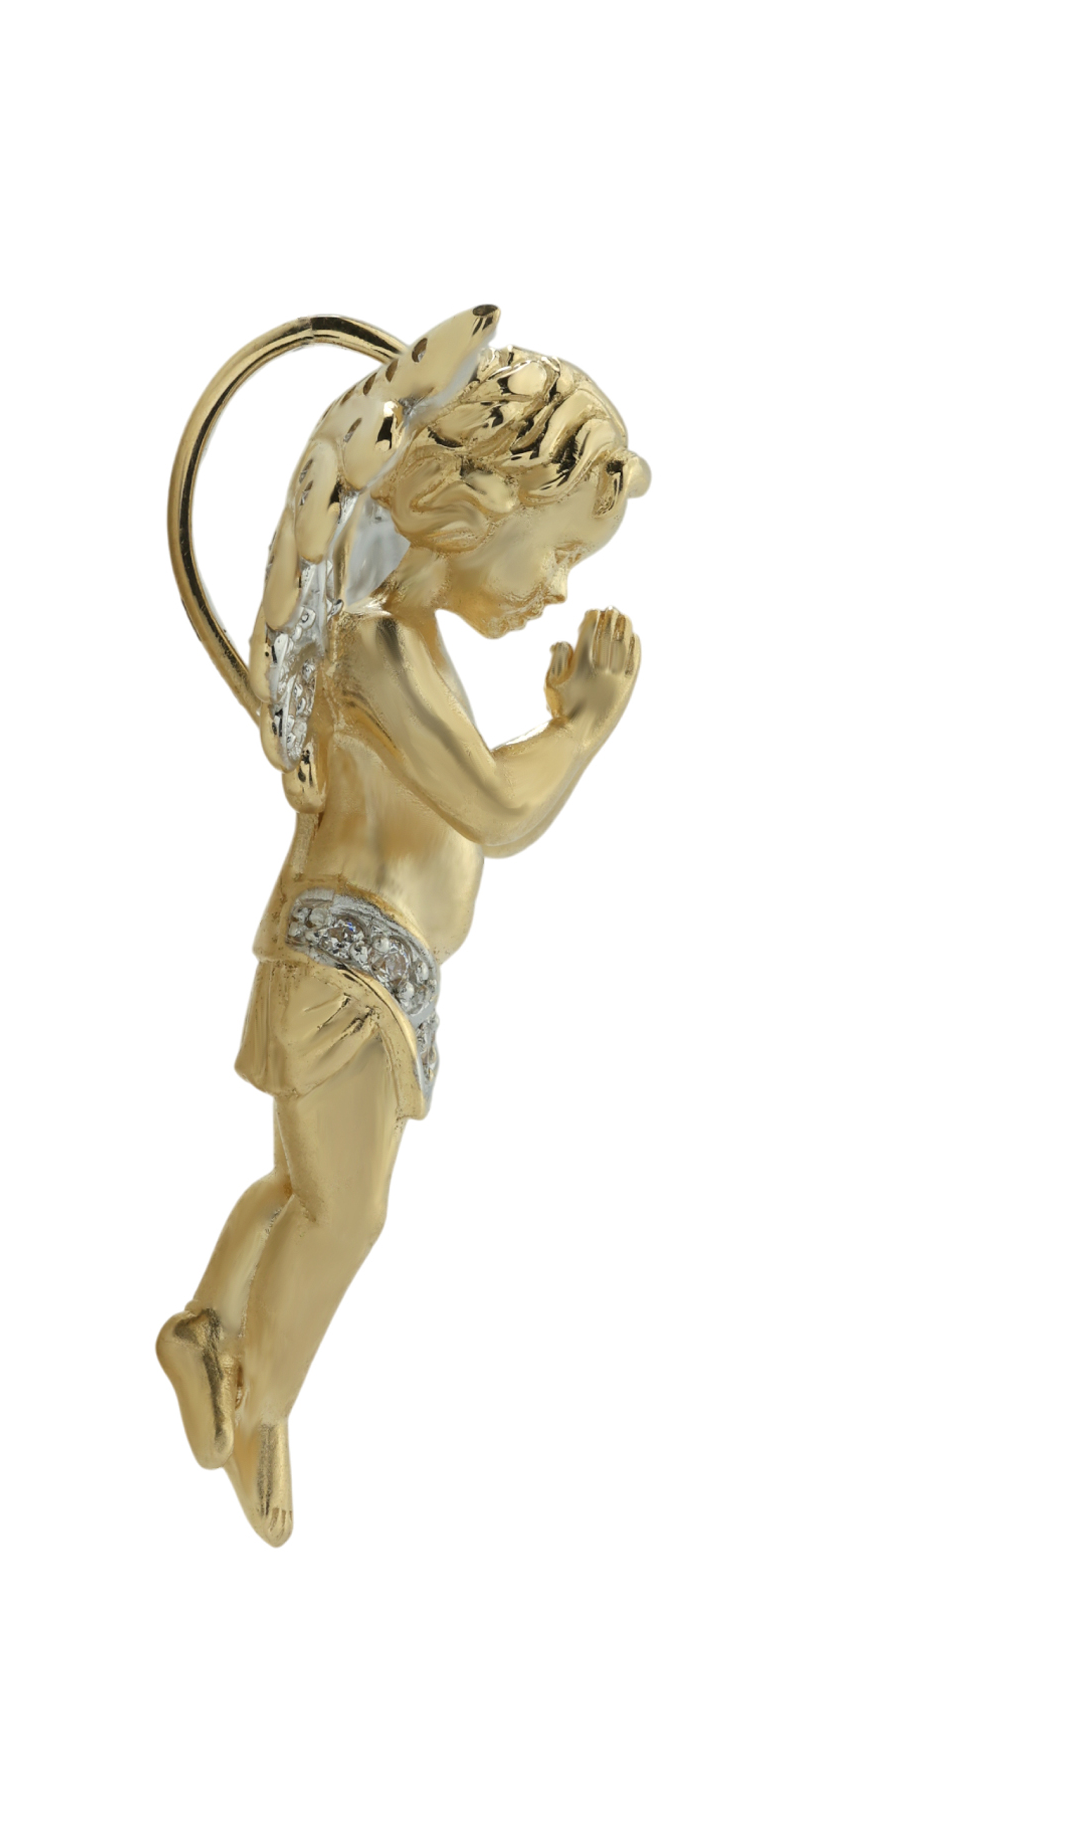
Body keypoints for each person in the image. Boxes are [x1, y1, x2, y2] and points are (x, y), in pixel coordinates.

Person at [158, 316, 650, 1544]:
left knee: (305, 1186)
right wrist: (582, 726)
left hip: (370, 967)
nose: (556, 590)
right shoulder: (374, 642)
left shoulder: (401, 637)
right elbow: (496, 807)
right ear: (478, 507)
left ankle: (210, 1330)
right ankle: (259, 1404)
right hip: (349, 964)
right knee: (349, 1213)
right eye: (556, 551)